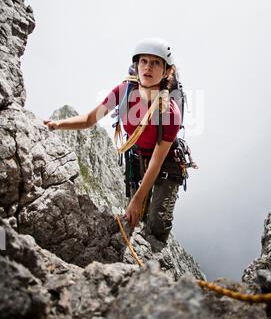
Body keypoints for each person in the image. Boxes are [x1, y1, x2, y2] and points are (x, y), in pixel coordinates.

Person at [44, 38, 183, 243]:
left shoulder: (170, 112)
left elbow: (156, 162)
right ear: (136, 65)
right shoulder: (124, 91)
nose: (148, 67)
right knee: (135, 217)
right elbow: (89, 119)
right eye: (144, 61)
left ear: (165, 72)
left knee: (157, 222)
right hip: (137, 157)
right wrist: (57, 124)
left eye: (156, 63)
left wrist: (137, 200)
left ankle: (158, 263)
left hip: (165, 164)